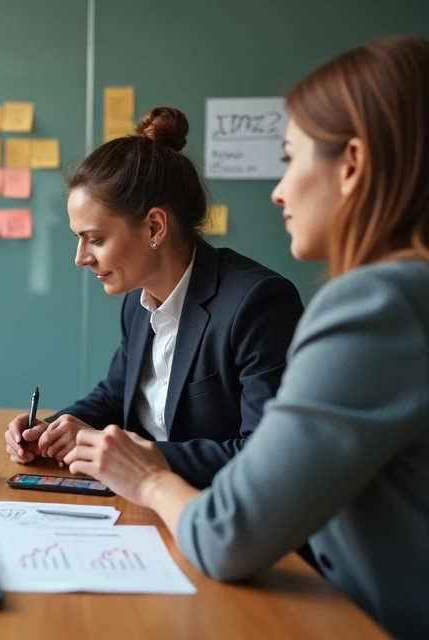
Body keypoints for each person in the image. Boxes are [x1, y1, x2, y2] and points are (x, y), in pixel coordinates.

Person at [63, 36, 429, 639]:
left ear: (352, 164)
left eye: (290, 157)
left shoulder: (374, 305)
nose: (278, 190)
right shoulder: (403, 296)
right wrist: (69, 424)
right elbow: (116, 389)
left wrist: (148, 476)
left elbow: (227, 533)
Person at [3, 106, 304, 488]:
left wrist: (136, 456)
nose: (80, 258)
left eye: (96, 239)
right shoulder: (137, 300)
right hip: (138, 499)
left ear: (154, 227)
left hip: (211, 509)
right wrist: (49, 430)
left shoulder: (257, 303)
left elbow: (267, 457)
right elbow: (115, 396)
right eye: (78, 238)